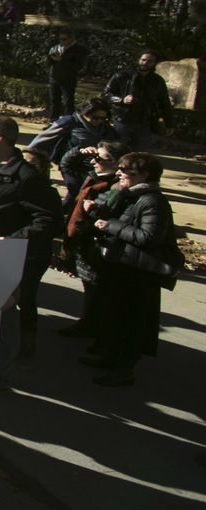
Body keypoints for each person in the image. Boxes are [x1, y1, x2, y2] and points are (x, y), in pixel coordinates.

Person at [0, 114, 63, 360]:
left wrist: (14, 238)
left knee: (19, 302)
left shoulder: (26, 178)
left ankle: (23, 348)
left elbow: (50, 221)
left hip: (17, 255)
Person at [86, 152, 178, 387]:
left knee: (131, 323)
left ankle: (123, 369)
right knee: (116, 317)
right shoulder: (130, 194)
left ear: (144, 175)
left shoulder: (151, 201)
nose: (119, 172)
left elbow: (149, 237)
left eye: (126, 170)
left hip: (137, 274)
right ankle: (111, 358)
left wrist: (111, 226)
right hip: (122, 269)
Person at [60, 140, 129, 336]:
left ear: (116, 163)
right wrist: (79, 152)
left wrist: (94, 212)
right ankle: (90, 324)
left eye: (99, 158)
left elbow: (112, 216)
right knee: (90, 287)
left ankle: (92, 327)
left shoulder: (116, 188)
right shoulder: (91, 177)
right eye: (93, 157)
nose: (93, 161)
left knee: (96, 290)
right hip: (81, 242)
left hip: (95, 246)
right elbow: (66, 165)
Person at [103, 49, 173, 148]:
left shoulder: (157, 81)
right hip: (123, 119)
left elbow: (164, 102)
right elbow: (106, 94)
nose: (145, 63)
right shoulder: (122, 75)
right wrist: (122, 100)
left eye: (150, 61)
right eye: (143, 60)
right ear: (138, 60)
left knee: (139, 154)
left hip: (144, 122)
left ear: (154, 63)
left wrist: (169, 123)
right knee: (117, 149)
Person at [47, 30, 90, 119]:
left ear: (71, 39)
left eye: (64, 39)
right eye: (60, 39)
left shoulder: (79, 50)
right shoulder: (55, 48)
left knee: (68, 102)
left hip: (68, 79)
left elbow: (79, 66)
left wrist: (62, 60)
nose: (62, 41)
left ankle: (68, 122)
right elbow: (49, 63)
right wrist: (51, 58)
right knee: (54, 101)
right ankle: (53, 122)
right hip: (55, 78)